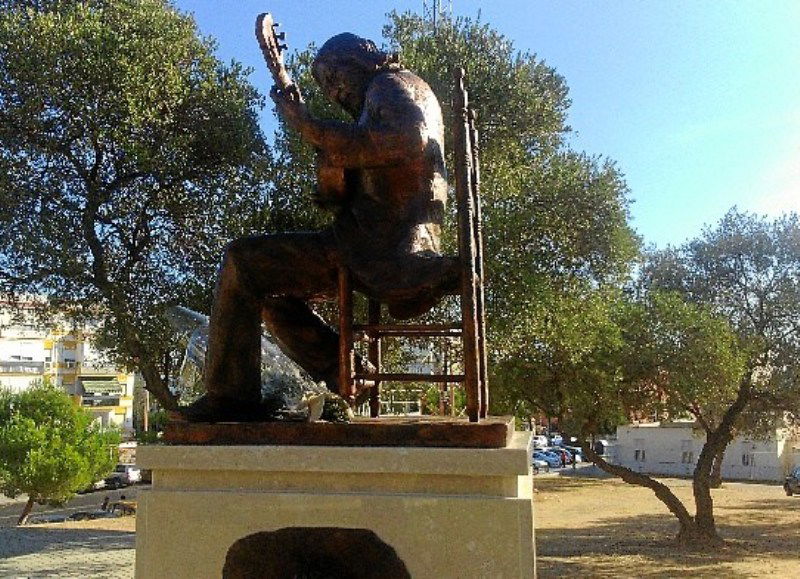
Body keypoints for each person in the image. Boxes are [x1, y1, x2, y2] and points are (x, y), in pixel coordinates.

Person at [178, 33, 459, 422]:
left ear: (362, 58)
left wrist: (311, 127)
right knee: (270, 292)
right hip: (370, 240)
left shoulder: (391, 85)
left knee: (242, 261)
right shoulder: (383, 99)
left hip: (380, 247)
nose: (334, 90)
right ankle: (349, 372)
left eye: (335, 75)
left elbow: (408, 142)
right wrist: (330, 169)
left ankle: (230, 398)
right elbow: (347, 186)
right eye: (326, 85)